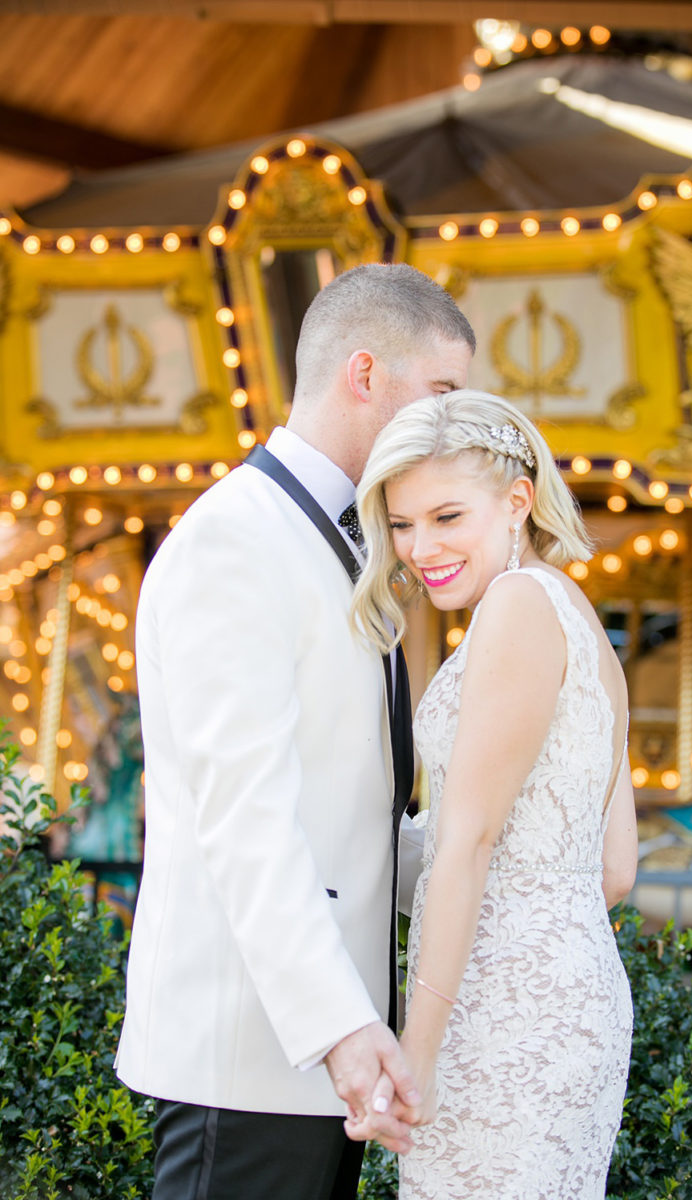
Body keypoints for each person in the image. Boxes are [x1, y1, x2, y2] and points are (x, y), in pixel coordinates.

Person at [114, 263, 475, 1200]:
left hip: (326, 1055)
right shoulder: (233, 541)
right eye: (440, 392)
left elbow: (345, 811)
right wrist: (340, 1031)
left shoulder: (345, 541)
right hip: (251, 1056)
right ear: (365, 376)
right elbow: (246, 819)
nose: (451, 423)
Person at [350, 389, 638, 1199]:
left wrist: (420, 1055)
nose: (418, 547)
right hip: (574, 992)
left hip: (499, 1009)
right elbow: (614, 871)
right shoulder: (578, 616)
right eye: (401, 525)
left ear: (516, 502)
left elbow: (468, 842)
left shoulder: (515, 606)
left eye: (447, 517)